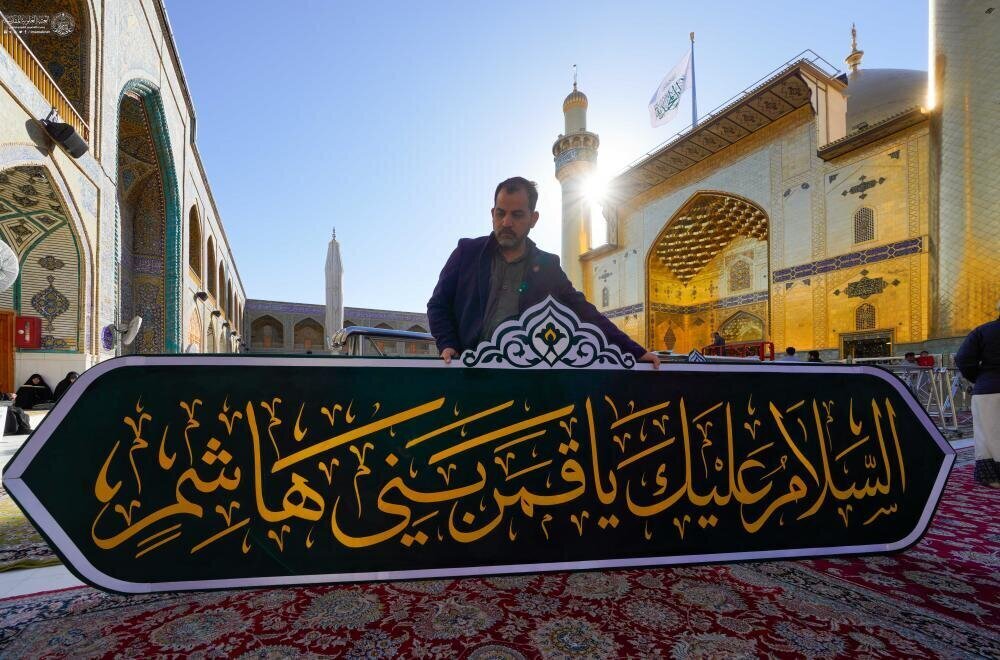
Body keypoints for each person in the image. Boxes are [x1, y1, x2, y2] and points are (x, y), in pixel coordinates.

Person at [427, 177, 659, 368]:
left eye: (517, 215)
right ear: (492, 214)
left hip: (520, 376)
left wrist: (634, 350)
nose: (506, 222)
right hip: (467, 370)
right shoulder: (467, 252)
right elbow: (438, 305)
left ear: (533, 219)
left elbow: (584, 312)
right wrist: (448, 344)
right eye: (500, 213)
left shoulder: (547, 266)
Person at [954, 301, 1000, 488]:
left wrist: (979, 378)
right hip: (988, 385)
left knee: (986, 433)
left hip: (987, 389)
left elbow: (963, 359)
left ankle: (991, 477)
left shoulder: (983, 331)